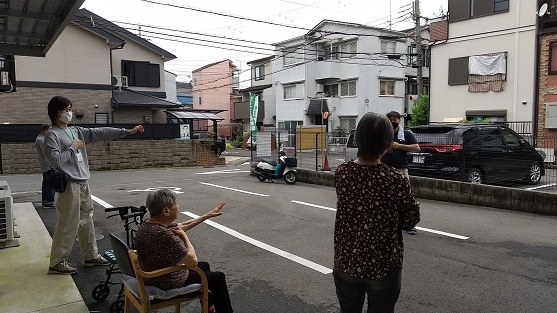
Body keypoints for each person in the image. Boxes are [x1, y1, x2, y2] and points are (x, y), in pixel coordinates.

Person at [44, 95, 144, 275]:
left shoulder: (76, 131)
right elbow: (56, 161)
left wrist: (127, 132)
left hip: (82, 182)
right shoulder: (52, 135)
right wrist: (74, 147)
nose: (69, 113)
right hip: (69, 185)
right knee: (68, 224)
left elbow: (101, 132)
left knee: (86, 221)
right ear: (55, 113)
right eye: (65, 110)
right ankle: (57, 262)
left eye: (70, 109)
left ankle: (91, 256)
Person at [334, 112, 420, 313]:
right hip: (383, 265)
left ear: (357, 140)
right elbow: (410, 220)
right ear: (387, 144)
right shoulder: (395, 179)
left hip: (347, 261)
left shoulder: (343, 172)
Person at [134, 189, 233, 313]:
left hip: (153, 273)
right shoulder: (162, 234)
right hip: (165, 280)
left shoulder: (149, 225)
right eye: (176, 204)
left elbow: (183, 226)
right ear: (166, 211)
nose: (178, 207)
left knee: (205, 266)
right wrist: (184, 237)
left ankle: (209, 307)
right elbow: (192, 262)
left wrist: (207, 215)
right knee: (218, 278)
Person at [381, 111, 421, 235]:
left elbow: (417, 147)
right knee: (384, 197)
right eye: (390, 119)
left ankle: (410, 224)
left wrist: (400, 146)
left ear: (399, 120)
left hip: (401, 169)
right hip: (384, 169)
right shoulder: (383, 133)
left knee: (405, 196)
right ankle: (386, 222)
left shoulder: (406, 134)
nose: (393, 122)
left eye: (395, 119)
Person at [35, 124, 56, 209]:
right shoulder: (42, 140)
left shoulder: (39, 139)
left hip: (45, 165)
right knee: (50, 183)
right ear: (45, 131)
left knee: (46, 183)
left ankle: (45, 200)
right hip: (48, 165)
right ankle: (49, 201)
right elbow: (47, 153)